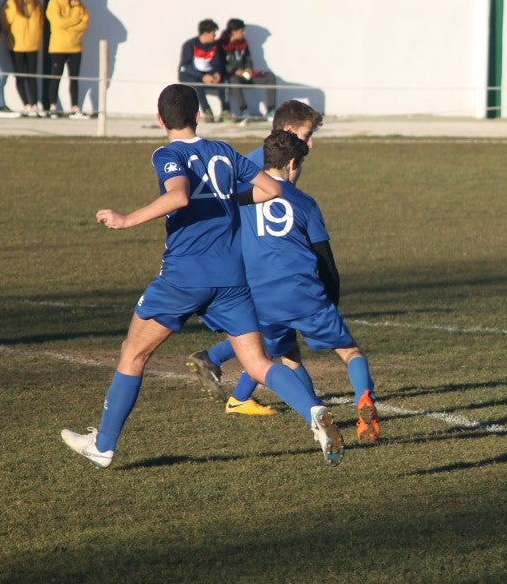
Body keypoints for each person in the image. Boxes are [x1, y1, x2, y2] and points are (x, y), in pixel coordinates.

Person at [59, 84, 346, 468]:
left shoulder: (168, 153)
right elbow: (272, 189)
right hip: (232, 279)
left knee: (133, 352)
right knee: (258, 363)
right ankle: (313, 410)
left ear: (160, 119)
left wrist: (126, 219)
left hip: (184, 277)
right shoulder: (224, 151)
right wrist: (225, 199)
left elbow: (178, 195)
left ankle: (103, 445)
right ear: (198, 115)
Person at [210, 129, 381, 442]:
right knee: (349, 351)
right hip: (304, 295)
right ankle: (364, 398)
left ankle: (315, 409)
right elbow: (325, 259)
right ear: (291, 163)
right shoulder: (305, 203)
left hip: (262, 299)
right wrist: (330, 298)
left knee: (287, 355)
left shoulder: (242, 200)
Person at [186, 100, 331, 417]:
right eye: (307, 135)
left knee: (282, 342)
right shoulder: (259, 163)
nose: (311, 143)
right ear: (289, 130)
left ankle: (242, 397)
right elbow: (230, 204)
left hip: (262, 260)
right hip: (254, 261)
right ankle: (213, 358)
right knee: (268, 335)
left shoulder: (273, 159)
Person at [46, 0, 90, 118]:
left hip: (75, 47)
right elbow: (58, 22)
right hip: (58, 47)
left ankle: (74, 107)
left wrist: (70, 26)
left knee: (74, 78)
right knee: (56, 77)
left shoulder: (78, 3)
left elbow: (85, 22)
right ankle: (52, 106)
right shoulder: (54, 2)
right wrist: (75, 20)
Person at [220, 17, 278, 123]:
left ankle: (271, 110)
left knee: (269, 77)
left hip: (246, 75)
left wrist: (248, 69)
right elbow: (220, 63)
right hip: (232, 76)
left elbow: (248, 59)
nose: (244, 33)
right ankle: (244, 111)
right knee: (233, 80)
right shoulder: (221, 44)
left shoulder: (244, 43)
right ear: (234, 32)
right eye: (242, 31)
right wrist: (235, 71)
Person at [1, 0, 43, 117]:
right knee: (20, 76)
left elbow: (40, 22)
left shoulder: (35, 3)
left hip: (32, 45)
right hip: (17, 46)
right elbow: (4, 21)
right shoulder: (12, 2)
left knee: (32, 76)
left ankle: (34, 104)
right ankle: (26, 104)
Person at [178, 19, 226, 121]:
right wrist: (202, 77)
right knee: (197, 85)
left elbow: (217, 63)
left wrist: (217, 73)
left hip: (208, 74)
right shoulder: (190, 45)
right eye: (213, 33)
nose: (215, 36)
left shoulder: (215, 46)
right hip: (191, 75)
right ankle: (207, 111)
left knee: (225, 82)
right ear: (205, 33)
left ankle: (226, 111)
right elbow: (185, 66)